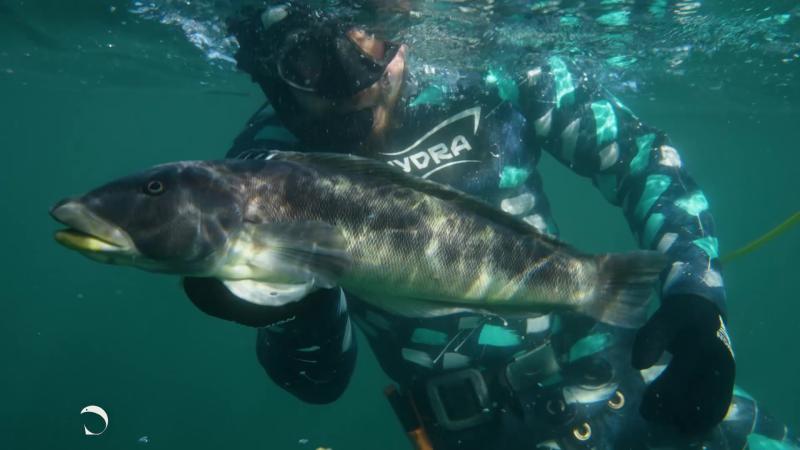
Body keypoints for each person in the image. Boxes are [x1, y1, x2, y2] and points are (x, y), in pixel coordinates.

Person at [182, 3, 798, 449]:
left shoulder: (494, 75)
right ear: (270, 69)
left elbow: (642, 160)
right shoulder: (257, 175)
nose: (355, 81)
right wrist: (282, 305)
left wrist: (697, 304)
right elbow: (319, 381)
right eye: (309, 60)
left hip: (631, 375)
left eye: (372, 36)